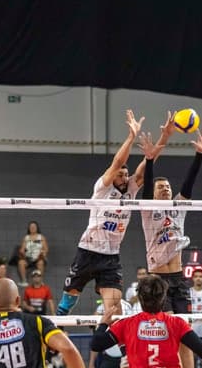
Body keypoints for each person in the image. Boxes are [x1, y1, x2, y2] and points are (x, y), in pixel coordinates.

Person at [138, 114, 202, 368]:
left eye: (168, 187)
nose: (166, 189)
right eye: (161, 187)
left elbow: (190, 182)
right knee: (171, 330)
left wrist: (200, 154)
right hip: (157, 277)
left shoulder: (179, 207)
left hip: (178, 277)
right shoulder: (146, 208)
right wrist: (148, 160)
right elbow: (145, 187)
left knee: (184, 329)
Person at [58, 109, 147, 316]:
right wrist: (131, 137)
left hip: (111, 257)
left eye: (127, 174)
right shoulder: (103, 187)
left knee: (113, 311)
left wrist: (164, 138)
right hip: (88, 250)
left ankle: (109, 343)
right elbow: (116, 163)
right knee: (66, 304)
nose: (125, 177)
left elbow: (144, 169)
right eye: (121, 174)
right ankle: (55, 337)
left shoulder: (130, 191)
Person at [17, 220, 49, 286]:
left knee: (41, 263)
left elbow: (46, 249)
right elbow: (22, 249)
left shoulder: (41, 237)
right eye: (31, 227)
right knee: (21, 262)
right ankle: (24, 280)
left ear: (37, 228)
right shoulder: (26, 238)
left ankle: (40, 281)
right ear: (29, 228)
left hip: (39, 257)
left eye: (34, 227)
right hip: (28, 258)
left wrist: (43, 253)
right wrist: (22, 252)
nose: (32, 228)